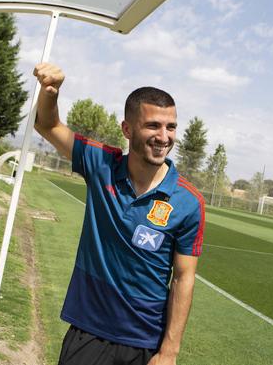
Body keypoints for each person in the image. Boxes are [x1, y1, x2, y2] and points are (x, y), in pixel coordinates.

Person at [33, 63, 204, 365]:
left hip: (144, 343)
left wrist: (169, 352)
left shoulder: (189, 202)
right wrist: (52, 92)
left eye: (171, 127)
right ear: (128, 129)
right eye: (153, 125)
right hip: (89, 332)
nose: (164, 137)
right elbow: (47, 125)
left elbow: (183, 278)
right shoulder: (101, 164)